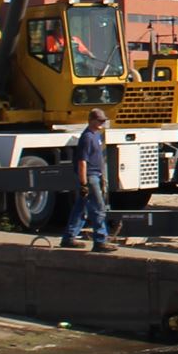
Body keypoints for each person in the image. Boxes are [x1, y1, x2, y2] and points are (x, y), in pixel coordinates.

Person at [61, 108, 112, 251]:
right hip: (90, 177)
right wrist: (84, 184)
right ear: (91, 120)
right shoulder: (87, 137)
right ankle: (100, 240)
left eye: (104, 120)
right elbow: (82, 162)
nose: (102, 122)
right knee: (98, 208)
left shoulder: (96, 135)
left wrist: (103, 177)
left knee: (81, 207)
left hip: (95, 175)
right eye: (100, 120)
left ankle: (69, 237)